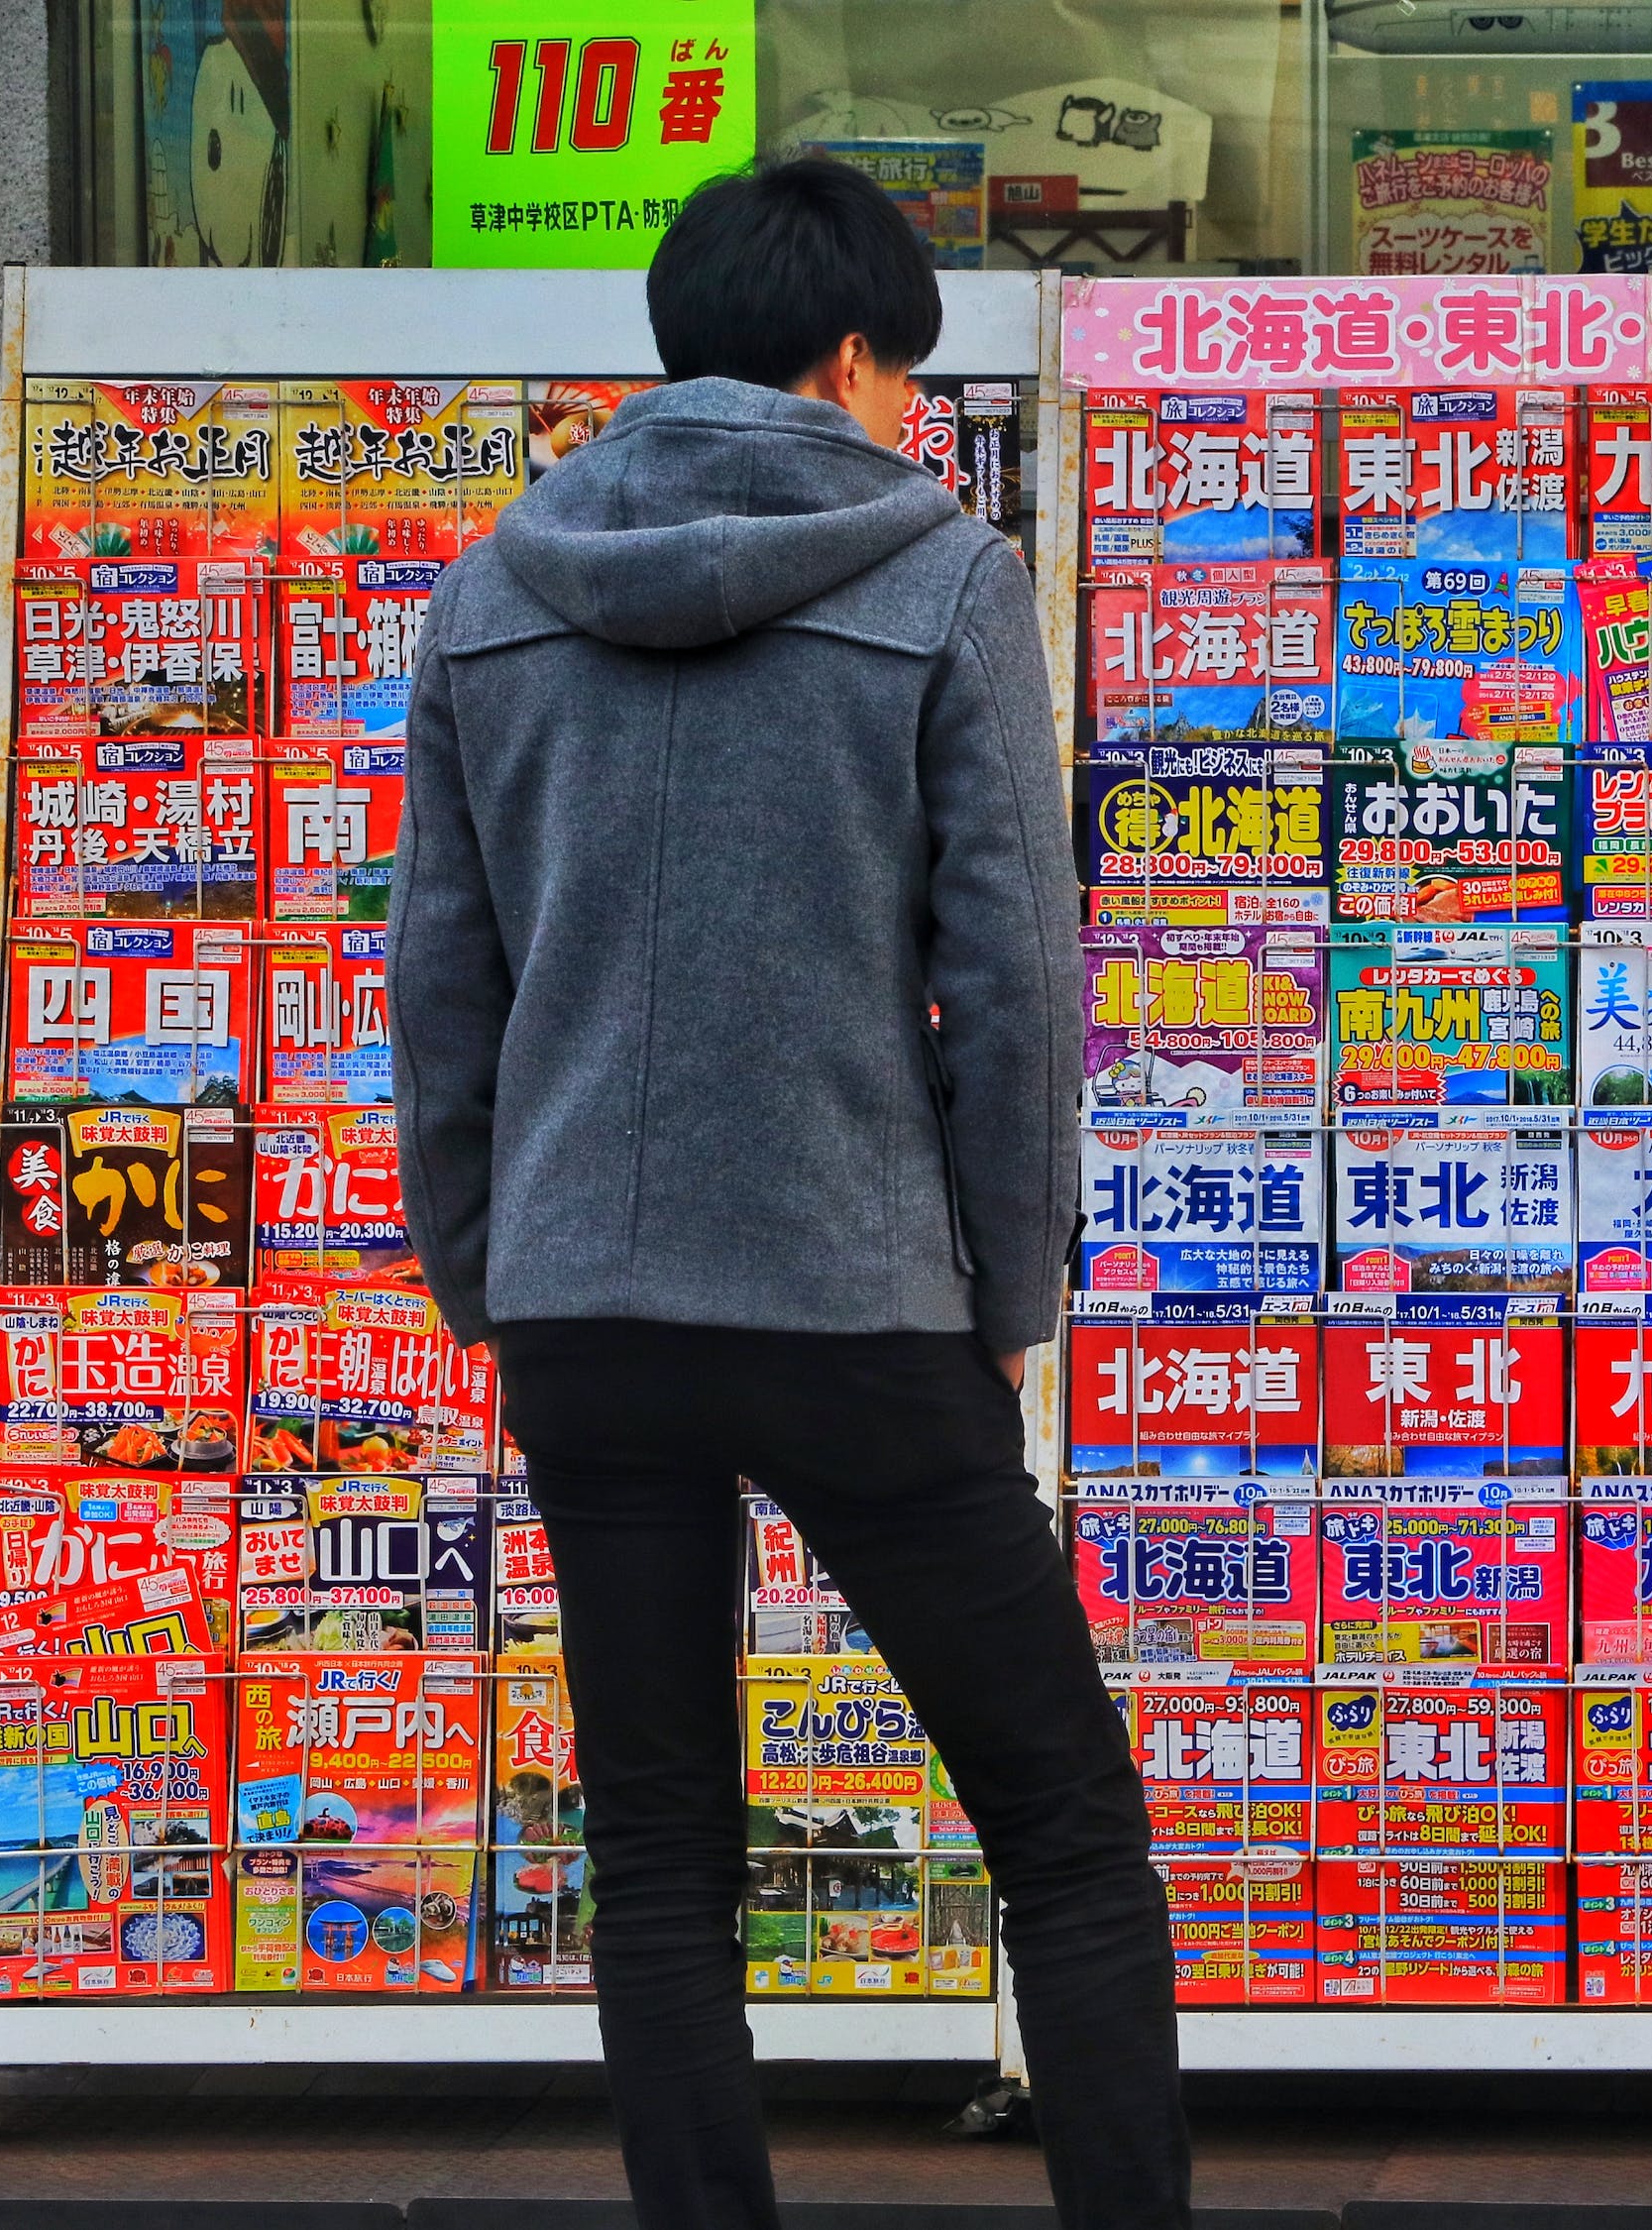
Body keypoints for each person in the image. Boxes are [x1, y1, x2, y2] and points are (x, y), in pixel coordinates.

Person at [389, 158, 1187, 2230]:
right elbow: (1017, 970)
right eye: (906, 375)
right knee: (1067, 1831)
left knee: (661, 1853)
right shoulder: (937, 579)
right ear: (851, 360)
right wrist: (1012, 1286)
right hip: (853, 1297)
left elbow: (440, 983)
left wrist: (492, 1277)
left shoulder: (488, 596)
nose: (912, 414)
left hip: (584, 1305)